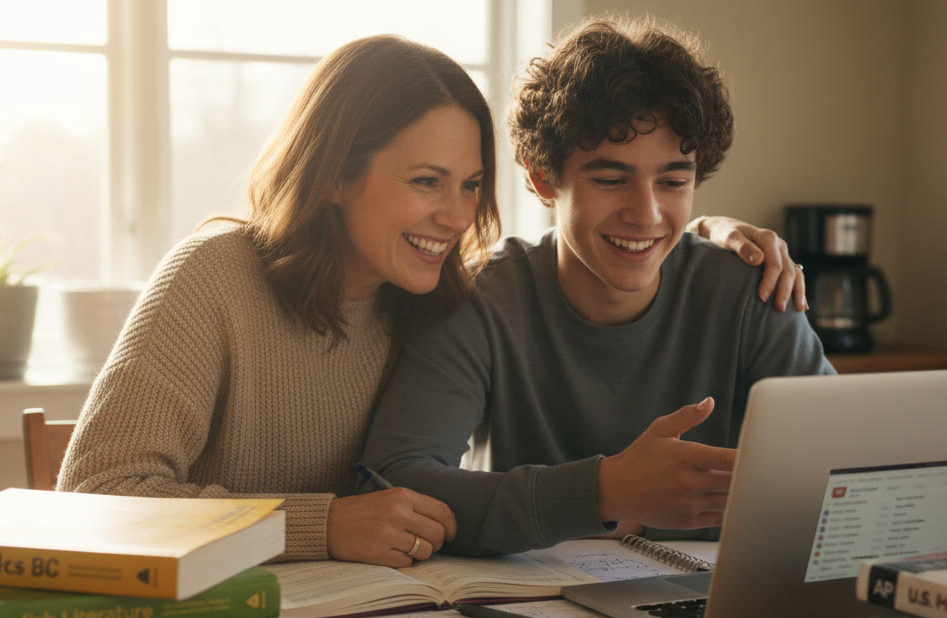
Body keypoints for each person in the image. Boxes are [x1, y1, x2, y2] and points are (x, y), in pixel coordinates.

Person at [57, 34, 803, 568]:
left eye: (470, 185)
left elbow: (628, 232)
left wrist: (703, 231)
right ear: (337, 174)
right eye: (425, 182)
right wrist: (321, 527)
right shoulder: (215, 278)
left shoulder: (429, 298)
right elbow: (97, 499)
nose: (455, 216)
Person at [360, 18, 835, 557]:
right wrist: (602, 491)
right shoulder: (478, 301)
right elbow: (392, 482)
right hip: (534, 611)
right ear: (543, 177)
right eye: (611, 180)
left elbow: (848, 464)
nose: (647, 214)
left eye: (674, 182)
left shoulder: (754, 294)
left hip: (716, 605)